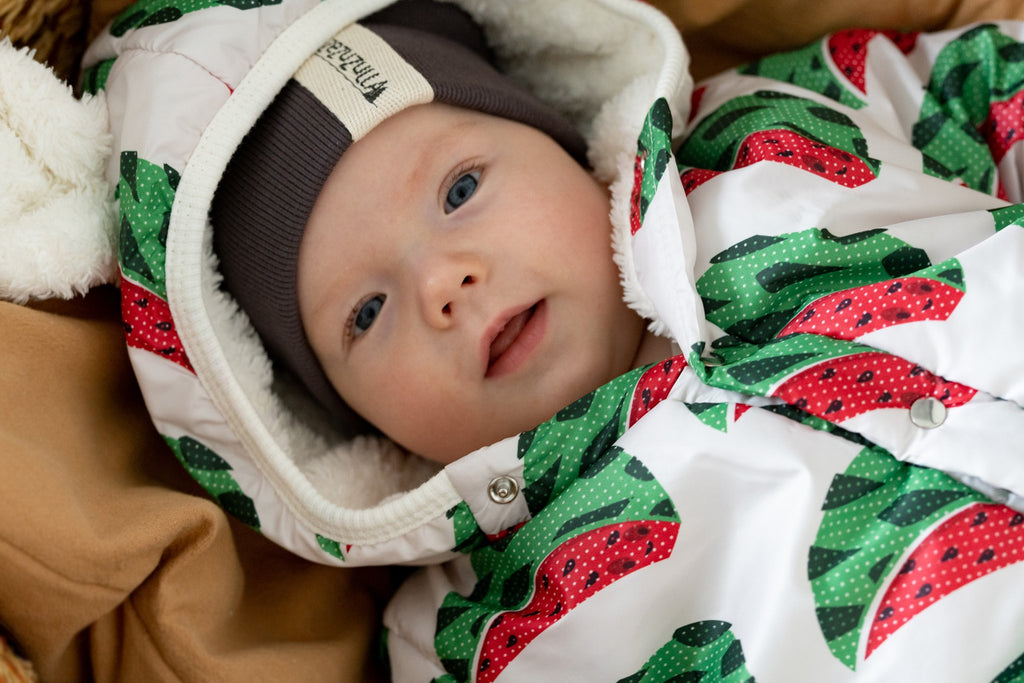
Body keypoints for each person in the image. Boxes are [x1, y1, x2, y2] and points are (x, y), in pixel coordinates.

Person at [86, 0, 1024, 679]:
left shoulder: (772, 125)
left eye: (460, 190)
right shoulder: (474, 629)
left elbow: (988, 87)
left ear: (559, 139)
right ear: (339, 425)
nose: (442, 285)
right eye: (364, 314)